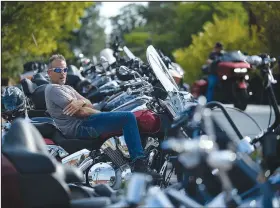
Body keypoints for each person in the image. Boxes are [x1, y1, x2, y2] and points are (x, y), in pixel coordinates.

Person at [44, 54, 160, 178]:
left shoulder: (66, 88)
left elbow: (89, 103)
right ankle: (139, 165)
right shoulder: (53, 89)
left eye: (64, 69)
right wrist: (98, 113)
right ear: (49, 73)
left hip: (85, 122)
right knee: (128, 118)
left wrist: (80, 102)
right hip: (80, 127)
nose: (63, 73)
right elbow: (81, 113)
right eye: (58, 70)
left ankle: (124, 159)